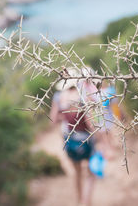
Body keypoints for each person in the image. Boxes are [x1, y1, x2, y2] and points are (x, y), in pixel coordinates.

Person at [50, 70, 97, 206]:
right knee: (90, 173)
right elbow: (90, 122)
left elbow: (52, 120)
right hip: (86, 139)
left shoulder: (58, 97)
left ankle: (79, 200)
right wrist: (100, 138)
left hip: (69, 140)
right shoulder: (83, 95)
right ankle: (86, 202)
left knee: (77, 173)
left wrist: (64, 115)